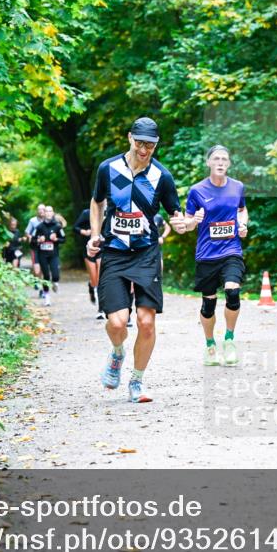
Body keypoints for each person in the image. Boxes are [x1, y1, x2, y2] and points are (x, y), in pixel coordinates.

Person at [86, 117, 187, 403]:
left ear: (157, 145)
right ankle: (117, 354)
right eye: (140, 143)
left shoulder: (162, 177)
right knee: (118, 323)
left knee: (146, 322)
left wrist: (186, 224)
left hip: (146, 253)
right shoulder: (108, 168)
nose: (144, 150)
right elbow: (97, 201)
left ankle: (137, 382)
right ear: (130, 137)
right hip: (115, 252)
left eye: (150, 145)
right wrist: (95, 234)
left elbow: (175, 216)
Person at [184, 145, 248, 366]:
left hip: (231, 250)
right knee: (208, 305)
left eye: (224, 159)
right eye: (216, 159)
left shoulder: (238, 187)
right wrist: (195, 220)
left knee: (232, 291)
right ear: (209, 162)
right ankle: (210, 345)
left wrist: (243, 224)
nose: (220, 162)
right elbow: (187, 223)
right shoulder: (196, 190)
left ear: (229, 164)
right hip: (206, 255)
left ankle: (229, 340)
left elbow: (241, 210)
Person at [74, 207, 105, 319]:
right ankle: (91, 286)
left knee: (101, 279)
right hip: (88, 249)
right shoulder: (87, 212)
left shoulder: (110, 211)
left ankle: (101, 310)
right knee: (95, 280)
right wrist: (85, 232)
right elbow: (75, 227)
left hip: (102, 249)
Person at [34, 206, 65, 306]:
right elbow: (32, 241)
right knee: (46, 276)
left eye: (50, 211)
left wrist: (56, 239)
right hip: (42, 255)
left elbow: (64, 239)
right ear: (44, 213)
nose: (48, 213)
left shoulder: (57, 226)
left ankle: (55, 283)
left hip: (53, 254)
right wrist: (38, 240)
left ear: (53, 213)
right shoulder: (39, 227)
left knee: (55, 275)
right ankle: (47, 298)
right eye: (46, 211)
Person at [25, 204, 47, 290]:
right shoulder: (33, 221)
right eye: (39, 209)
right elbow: (27, 232)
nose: (41, 211)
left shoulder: (48, 221)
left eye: (42, 209)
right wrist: (30, 237)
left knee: (43, 267)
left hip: (45, 247)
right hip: (34, 246)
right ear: (37, 211)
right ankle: (36, 280)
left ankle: (41, 287)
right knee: (37, 269)